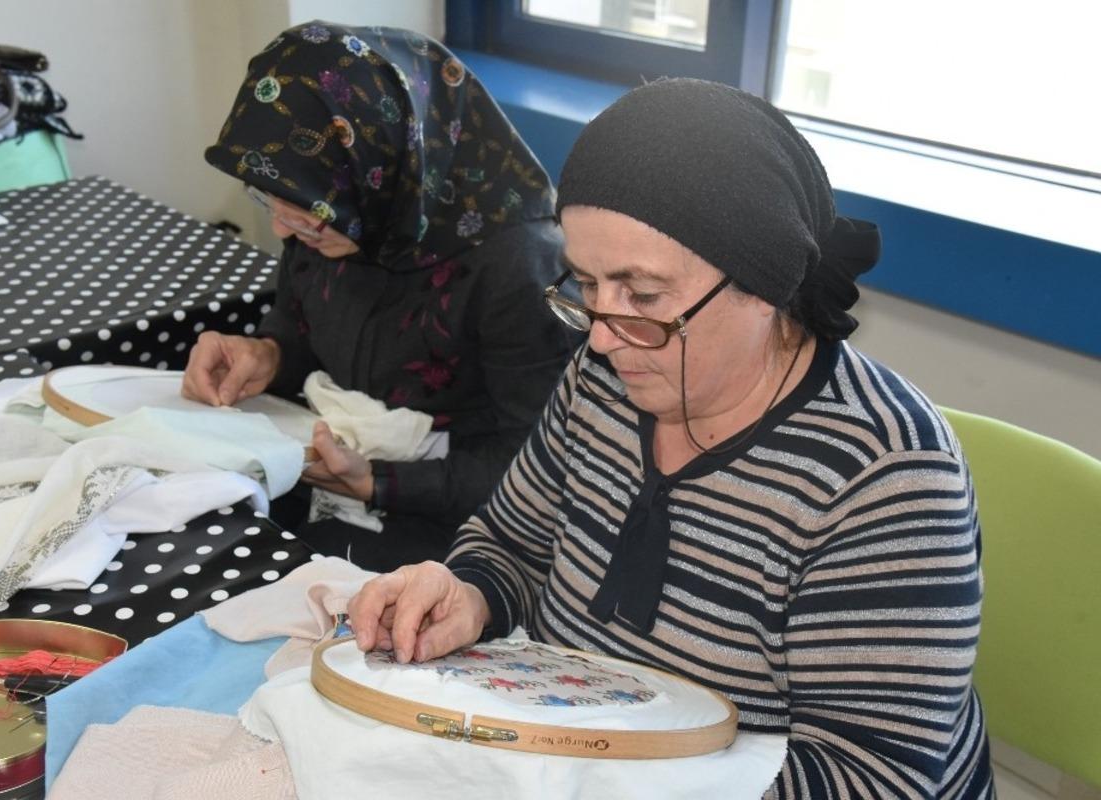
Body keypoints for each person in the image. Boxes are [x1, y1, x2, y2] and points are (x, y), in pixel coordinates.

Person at [349, 78, 993, 797]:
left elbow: (874, 777)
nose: (598, 338)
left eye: (643, 297)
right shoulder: (610, 377)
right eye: (587, 287)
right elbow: (515, 544)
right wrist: (467, 592)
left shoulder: (885, 480)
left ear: (764, 283)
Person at [184, 23, 574, 571]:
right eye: (268, 202)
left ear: (386, 162)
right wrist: (267, 355)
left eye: (304, 216)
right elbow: (300, 330)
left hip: (463, 528)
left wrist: (377, 482)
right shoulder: (333, 204)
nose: (284, 232)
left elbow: (544, 470)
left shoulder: (516, 264)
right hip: (335, 485)